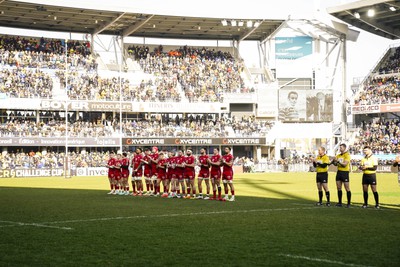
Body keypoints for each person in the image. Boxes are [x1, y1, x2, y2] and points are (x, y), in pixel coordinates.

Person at [331, 143, 352, 207]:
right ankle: (339, 202)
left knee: (347, 188)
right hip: (339, 172)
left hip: (345, 173)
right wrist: (334, 161)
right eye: (339, 148)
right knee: (339, 188)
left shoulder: (347, 155)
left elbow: (344, 164)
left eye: (341, 148)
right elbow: (335, 164)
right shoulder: (338, 155)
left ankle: (348, 203)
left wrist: (338, 161)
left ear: (345, 148)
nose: (340, 149)